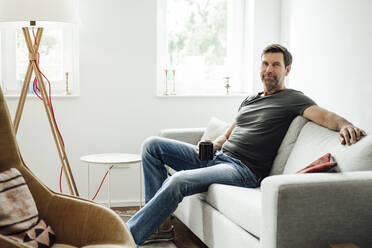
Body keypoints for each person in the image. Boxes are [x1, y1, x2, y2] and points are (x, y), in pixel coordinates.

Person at [126, 44, 366, 245]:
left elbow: (325, 116)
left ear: (287, 69)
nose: (268, 70)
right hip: (218, 158)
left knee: (178, 180)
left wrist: (345, 125)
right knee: (152, 146)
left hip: (243, 170)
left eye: (275, 65)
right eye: (265, 64)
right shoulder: (250, 100)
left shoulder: (294, 99)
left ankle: (126, 236)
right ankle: (159, 226)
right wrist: (212, 144)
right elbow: (230, 132)